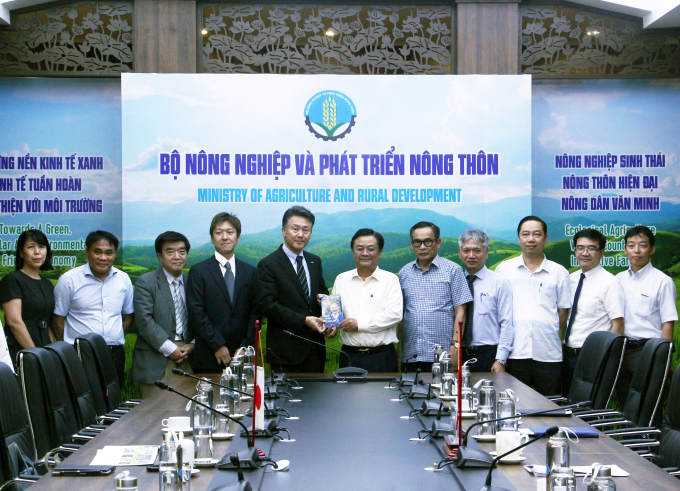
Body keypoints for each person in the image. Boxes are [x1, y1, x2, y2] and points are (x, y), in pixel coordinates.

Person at [495, 216, 571, 396]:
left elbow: (562, 313)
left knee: (550, 409)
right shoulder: (504, 270)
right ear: (519, 237)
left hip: (548, 355)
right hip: (514, 354)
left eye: (537, 234)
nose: (531, 239)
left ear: (545, 238)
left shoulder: (559, 272)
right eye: (526, 234)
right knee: (513, 408)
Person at [52, 230, 134, 385]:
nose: (103, 257)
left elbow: (129, 316)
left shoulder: (123, 279)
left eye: (109, 253)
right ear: (87, 252)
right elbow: (57, 321)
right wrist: (70, 350)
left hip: (114, 355)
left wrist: (114, 338)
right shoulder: (69, 280)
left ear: (115, 254)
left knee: (114, 401)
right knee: (83, 402)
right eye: (97, 252)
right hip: (80, 355)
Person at [256, 206, 329, 373]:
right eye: (295, 229)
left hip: (315, 349)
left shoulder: (314, 261)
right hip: (286, 352)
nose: (300, 234)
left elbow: (323, 291)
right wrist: (303, 320)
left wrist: (326, 311)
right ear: (284, 231)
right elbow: (267, 305)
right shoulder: (269, 264)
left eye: (306, 230)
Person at [186, 213, 258, 372]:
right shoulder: (198, 271)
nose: (224, 237)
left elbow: (255, 312)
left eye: (230, 232)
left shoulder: (251, 272)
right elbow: (196, 312)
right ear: (212, 238)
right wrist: (217, 344)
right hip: (208, 356)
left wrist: (245, 346)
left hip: (242, 357)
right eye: (219, 233)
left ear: (238, 237)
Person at [325, 229, 403, 372]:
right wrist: (330, 329)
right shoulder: (341, 279)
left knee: (383, 395)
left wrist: (359, 324)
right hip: (348, 356)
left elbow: (395, 315)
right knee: (347, 395)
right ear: (353, 251)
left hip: (382, 356)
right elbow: (333, 316)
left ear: (379, 252)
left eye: (371, 249)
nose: (365, 253)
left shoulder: (391, 279)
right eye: (359, 249)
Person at [399, 221, 472, 373]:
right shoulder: (404, 273)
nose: (422, 247)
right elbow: (402, 316)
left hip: (443, 355)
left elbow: (461, 313)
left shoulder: (453, 270)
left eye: (427, 241)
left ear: (438, 243)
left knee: (442, 396)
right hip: (412, 355)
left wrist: (456, 347)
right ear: (412, 244)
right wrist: (400, 352)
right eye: (417, 242)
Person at [615, 225, 677, 403]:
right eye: (631, 245)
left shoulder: (662, 281)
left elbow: (668, 324)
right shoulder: (618, 280)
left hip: (648, 351)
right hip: (621, 351)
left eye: (642, 245)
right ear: (625, 249)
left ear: (652, 249)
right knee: (626, 405)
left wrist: (661, 359)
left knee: (649, 407)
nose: (636, 250)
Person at [131, 231, 195, 397]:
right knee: (157, 416)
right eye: (170, 252)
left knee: (189, 413)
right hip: (158, 357)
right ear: (160, 256)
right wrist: (170, 348)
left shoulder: (193, 281)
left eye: (182, 251)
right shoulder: (146, 282)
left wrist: (194, 344)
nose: (177, 256)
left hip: (190, 357)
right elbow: (144, 321)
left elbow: (203, 316)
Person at [562, 228, 624, 396]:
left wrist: (604, 360)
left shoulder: (610, 283)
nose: (585, 253)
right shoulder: (571, 279)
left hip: (592, 357)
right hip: (567, 355)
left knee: (587, 411)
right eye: (580, 248)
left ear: (601, 252)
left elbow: (617, 326)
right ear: (574, 250)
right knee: (568, 407)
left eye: (591, 248)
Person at [458, 229, 514, 373]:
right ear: (460, 253)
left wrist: (501, 359)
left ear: (486, 252)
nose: (471, 255)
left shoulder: (499, 283)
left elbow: (506, 323)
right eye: (466, 250)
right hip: (458, 354)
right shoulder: (454, 282)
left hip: (488, 355)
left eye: (477, 250)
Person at [0, 229, 55, 369]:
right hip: (21, 348)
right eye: (31, 247)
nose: (37, 252)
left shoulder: (47, 284)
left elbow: (47, 321)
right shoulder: (12, 280)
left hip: (44, 345)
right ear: (21, 252)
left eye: (42, 247)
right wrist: (34, 353)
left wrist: (52, 351)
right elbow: (14, 322)